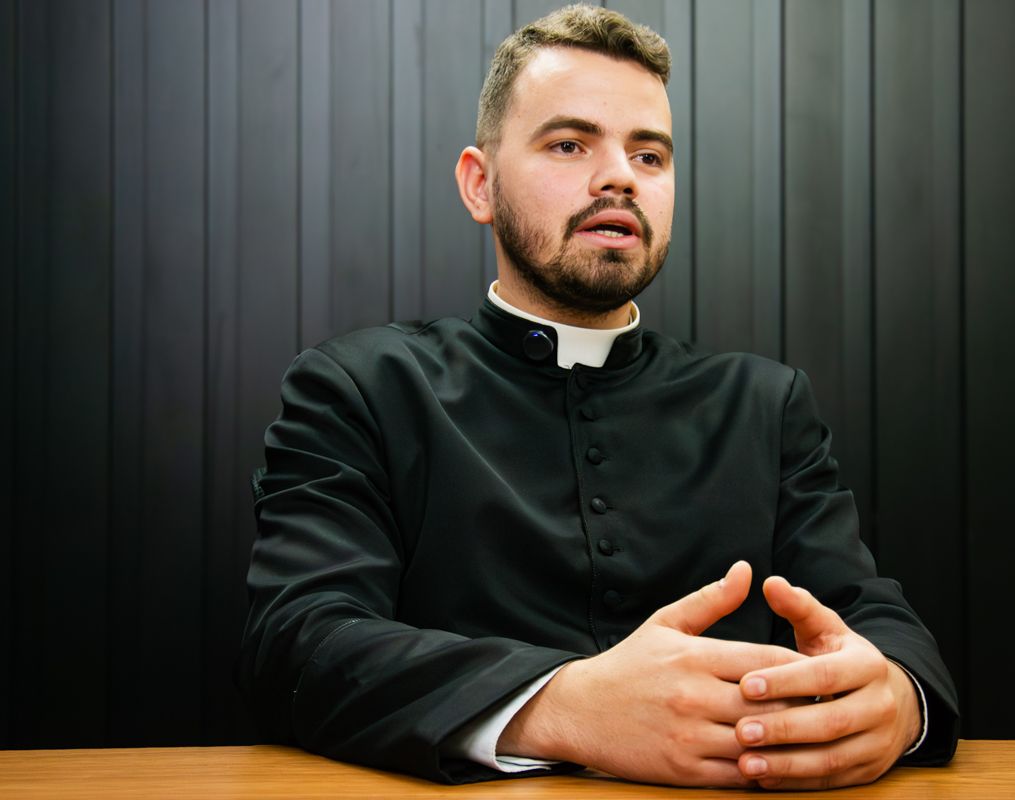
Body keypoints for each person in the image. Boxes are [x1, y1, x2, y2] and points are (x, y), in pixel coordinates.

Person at [238, 5, 958, 790]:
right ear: (480, 184)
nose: (620, 176)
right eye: (569, 144)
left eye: (649, 155)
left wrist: (896, 700)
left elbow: (878, 623)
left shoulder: (765, 404)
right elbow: (299, 642)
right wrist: (564, 706)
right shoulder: (361, 387)